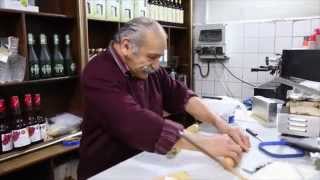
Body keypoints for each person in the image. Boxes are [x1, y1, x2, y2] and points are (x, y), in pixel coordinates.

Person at [78, 17, 250, 179]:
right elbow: (134, 122)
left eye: (159, 58)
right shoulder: (98, 72)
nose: (156, 66)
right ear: (126, 46)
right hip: (107, 170)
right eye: (152, 57)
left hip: (142, 162)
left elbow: (181, 96)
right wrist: (205, 144)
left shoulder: (149, 68)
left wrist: (220, 123)